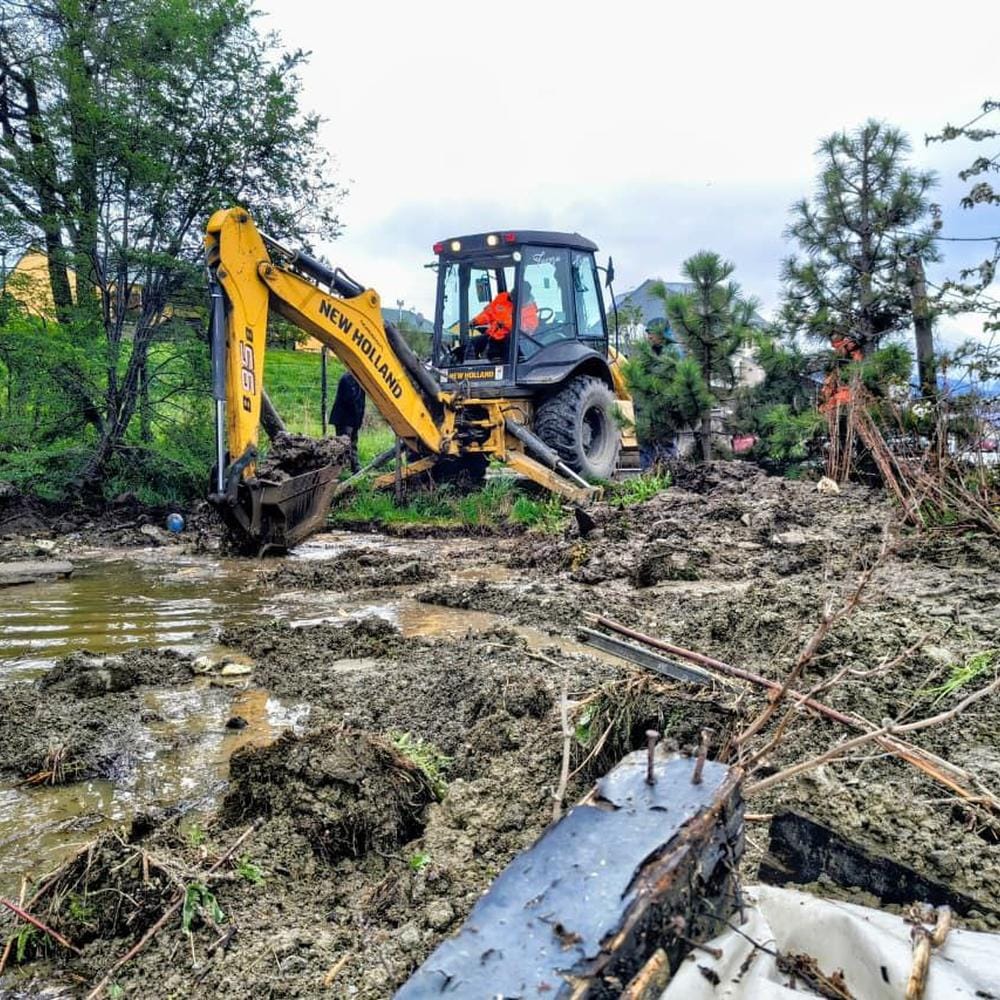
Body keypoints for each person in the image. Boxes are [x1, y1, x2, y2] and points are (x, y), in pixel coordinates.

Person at [467, 282, 540, 360]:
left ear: (525, 296)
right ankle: (467, 367)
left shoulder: (530, 311)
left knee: (509, 343)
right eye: (512, 295)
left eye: (516, 297)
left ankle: (506, 366)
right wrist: (476, 321)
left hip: (515, 341)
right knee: (473, 343)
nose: (512, 299)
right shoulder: (502, 298)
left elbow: (527, 329)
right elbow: (488, 313)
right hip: (494, 334)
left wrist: (506, 323)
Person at [330, 371, 365, 472]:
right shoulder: (347, 379)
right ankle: (346, 469)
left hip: (352, 418)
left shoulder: (359, 379)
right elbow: (350, 400)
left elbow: (360, 402)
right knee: (345, 444)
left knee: (351, 443)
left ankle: (354, 469)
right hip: (345, 418)